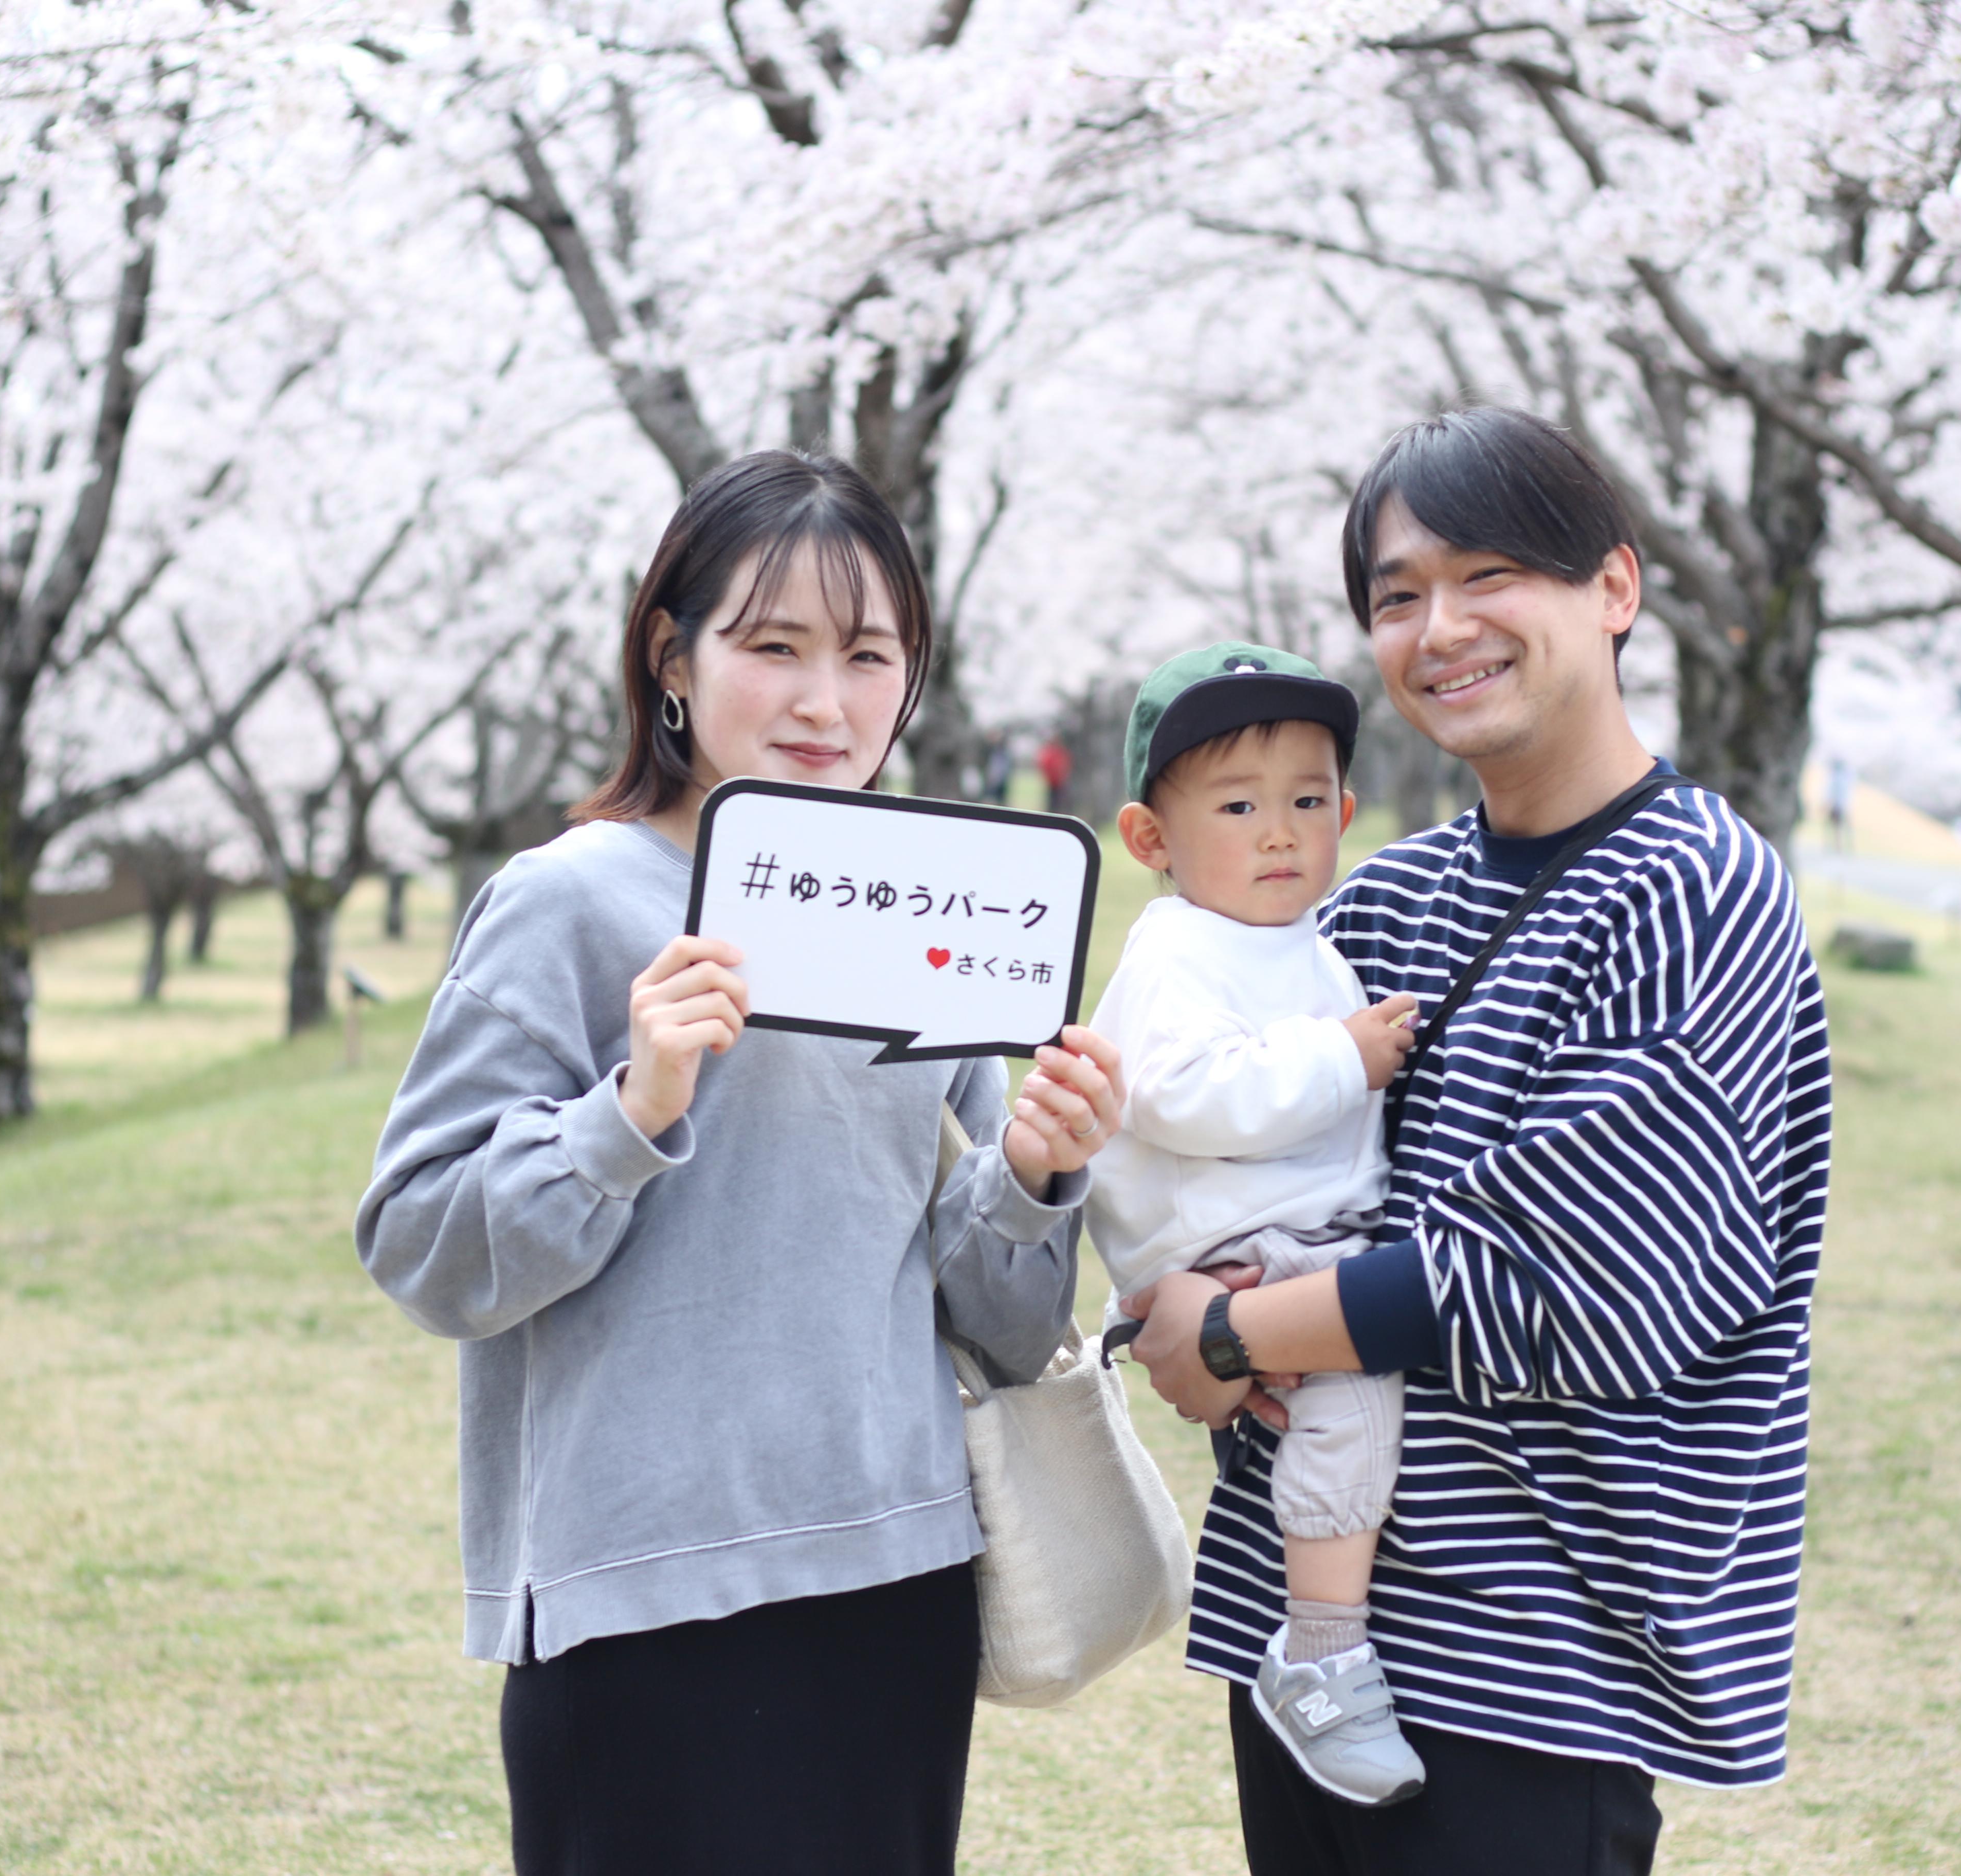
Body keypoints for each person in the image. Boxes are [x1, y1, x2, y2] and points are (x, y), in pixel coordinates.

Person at [355, 450, 1124, 1876]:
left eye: (869, 655)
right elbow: (420, 1246)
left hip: (898, 1579)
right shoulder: (569, 902)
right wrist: (625, 1115)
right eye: (774, 648)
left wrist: (1031, 1176)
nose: (826, 702)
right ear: (672, 656)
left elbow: (1001, 1324)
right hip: (644, 1604)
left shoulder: (933, 907)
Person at [1122, 407, 1832, 1875]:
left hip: (1530, 1662)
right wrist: (1165, 1297)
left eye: (1489, 575)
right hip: (1300, 1632)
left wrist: (1232, 1332)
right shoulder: (1378, 904)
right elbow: (1217, 1142)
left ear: (1614, 588)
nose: (1440, 629)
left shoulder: (1695, 890)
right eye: (1398, 597)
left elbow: (1582, 1285)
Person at [1090, 641, 1427, 1806]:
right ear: (1151, 838)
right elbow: (1182, 1094)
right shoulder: (1177, 948)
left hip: (1277, 1236)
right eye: (1237, 806)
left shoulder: (1303, 943)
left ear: (1345, 813)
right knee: (1351, 1404)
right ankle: (1320, 1651)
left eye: (1305, 803)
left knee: (1329, 1403)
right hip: (1230, 1247)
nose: (1278, 833)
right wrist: (1341, 1057)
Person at [1036, 735, 1073, 817]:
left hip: (1060, 783)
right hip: (1052, 783)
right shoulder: (1051, 752)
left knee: (1060, 803)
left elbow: (1065, 765)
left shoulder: (1060, 752)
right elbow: (1045, 765)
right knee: (1052, 804)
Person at [1826, 753, 1854, 852]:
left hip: (1839, 806)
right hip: (1842, 806)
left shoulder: (1838, 779)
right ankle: (1840, 847)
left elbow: (1833, 793)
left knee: (1838, 827)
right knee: (1839, 827)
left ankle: (1841, 847)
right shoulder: (1844, 778)